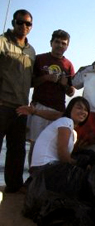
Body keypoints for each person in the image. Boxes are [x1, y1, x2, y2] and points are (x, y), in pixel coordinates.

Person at [19, 29, 75, 166]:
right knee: (36, 144)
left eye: (63, 43)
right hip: (39, 107)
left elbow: (71, 92)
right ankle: (32, 178)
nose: (60, 45)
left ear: (67, 46)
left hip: (58, 110)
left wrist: (65, 86)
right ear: (51, 43)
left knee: (55, 145)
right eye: (57, 42)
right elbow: (29, 83)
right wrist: (45, 78)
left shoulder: (68, 65)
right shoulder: (39, 59)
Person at [0, 9, 36, 193]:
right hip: (2, 105)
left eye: (28, 23)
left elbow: (31, 79)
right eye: (20, 22)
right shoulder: (2, 42)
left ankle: (14, 186)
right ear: (13, 22)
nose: (23, 26)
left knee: (17, 150)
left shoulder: (31, 51)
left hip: (21, 107)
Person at [30, 97, 90, 169]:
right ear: (70, 109)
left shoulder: (73, 133)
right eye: (79, 108)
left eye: (86, 110)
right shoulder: (66, 121)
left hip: (43, 167)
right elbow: (62, 152)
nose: (82, 111)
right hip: (45, 167)